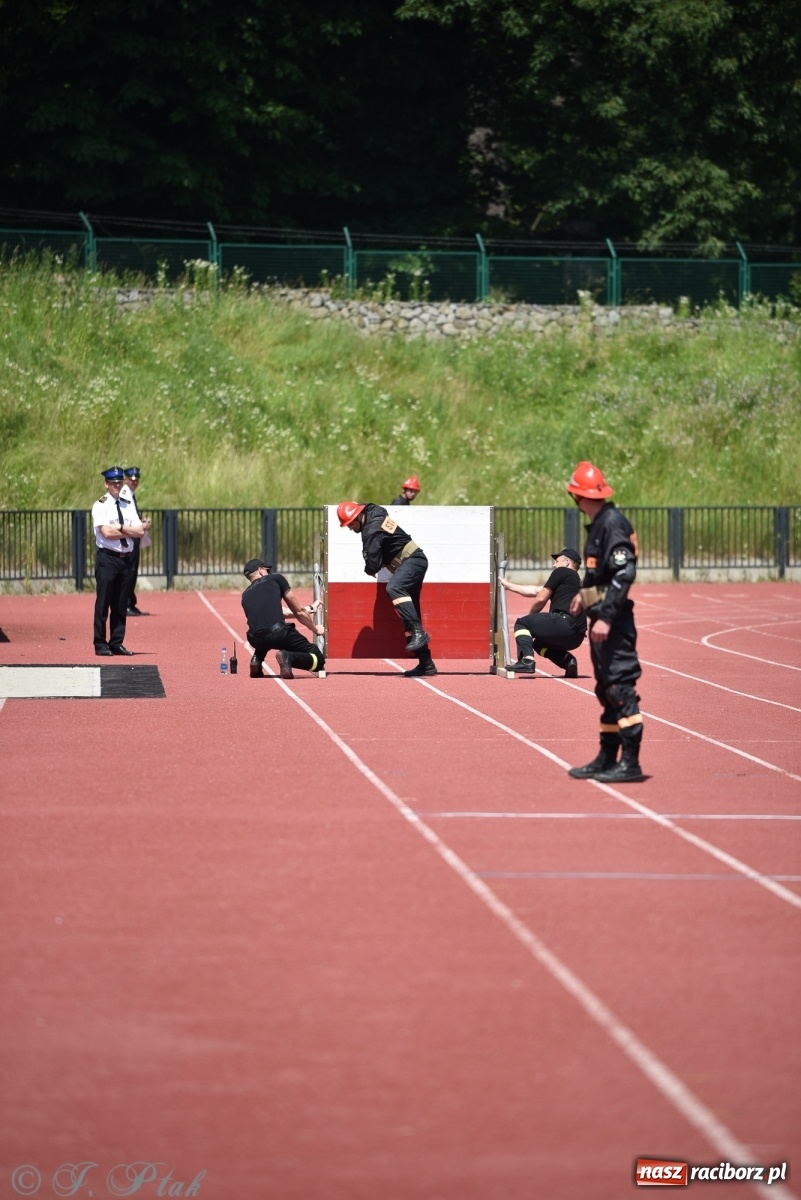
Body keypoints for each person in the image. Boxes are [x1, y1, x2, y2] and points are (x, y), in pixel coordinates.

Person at [565, 461, 644, 783]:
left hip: (614, 623)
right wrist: (585, 596)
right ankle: (607, 757)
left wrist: (606, 618)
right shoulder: (600, 523)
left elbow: (624, 574)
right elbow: (603, 575)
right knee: (606, 689)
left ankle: (631, 763)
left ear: (577, 496)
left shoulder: (611, 523)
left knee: (619, 687)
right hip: (603, 618)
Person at [337, 501, 436, 677]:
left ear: (358, 516)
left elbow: (373, 565)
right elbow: (378, 509)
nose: (351, 528)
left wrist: (368, 566)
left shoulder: (371, 530)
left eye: (351, 524)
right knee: (408, 615)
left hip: (413, 561)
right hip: (412, 561)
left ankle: (419, 633)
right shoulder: (375, 514)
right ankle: (426, 663)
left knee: (394, 588)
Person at [91, 466, 151, 656]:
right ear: (106, 484)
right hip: (108, 559)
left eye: (118, 482)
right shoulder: (100, 505)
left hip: (125, 559)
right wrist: (128, 529)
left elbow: (140, 531)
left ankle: (116, 642)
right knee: (103, 603)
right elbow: (106, 533)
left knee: (119, 604)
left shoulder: (127, 503)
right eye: (113, 483)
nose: (116, 486)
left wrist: (121, 527)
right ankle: (100, 643)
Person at [500, 548, 586, 676]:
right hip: (577, 636)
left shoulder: (562, 571)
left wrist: (529, 621)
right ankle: (568, 660)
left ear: (566, 562)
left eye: (557, 561)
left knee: (521, 623)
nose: (554, 565)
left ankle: (527, 660)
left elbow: (540, 598)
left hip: (564, 624)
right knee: (539, 645)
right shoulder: (573, 580)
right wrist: (508, 585)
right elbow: (536, 591)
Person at [242, 559, 326, 679]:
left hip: (254, 639)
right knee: (318, 657)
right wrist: (315, 629)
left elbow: (285, 612)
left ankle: (256, 660)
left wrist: (311, 607)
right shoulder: (276, 579)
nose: (269, 573)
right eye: (267, 570)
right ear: (260, 571)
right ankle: (288, 657)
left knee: (264, 633)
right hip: (278, 634)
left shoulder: (245, 595)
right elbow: (298, 611)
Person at [120, 466, 149, 616]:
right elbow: (126, 517)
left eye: (136, 480)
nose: (134, 482)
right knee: (129, 572)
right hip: (130, 538)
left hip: (133, 537)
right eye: (132, 480)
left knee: (132, 572)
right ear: (126, 479)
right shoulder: (125, 493)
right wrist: (141, 525)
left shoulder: (129, 493)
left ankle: (130, 603)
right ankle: (125, 605)